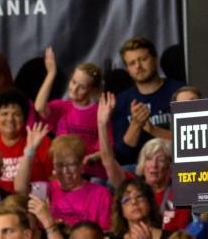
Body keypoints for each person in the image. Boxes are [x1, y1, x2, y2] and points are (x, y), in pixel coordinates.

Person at [13, 132, 109, 231]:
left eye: (71, 165)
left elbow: (106, 233)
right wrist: (29, 152)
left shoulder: (101, 194)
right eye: (59, 165)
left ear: (82, 165)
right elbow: (20, 188)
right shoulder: (44, 189)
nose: (65, 171)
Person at [110, 38, 183, 166]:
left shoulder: (179, 92)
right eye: (132, 63)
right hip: (137, 167)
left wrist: (153, 129)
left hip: (175, 162)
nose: (138, 66)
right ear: (127, 69)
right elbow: (122, 155)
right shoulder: (121, 102)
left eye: (143, 59)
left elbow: (189, 142)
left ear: (155, 59)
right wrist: (136, 124)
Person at [32, 48, 104, 177]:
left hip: (89, 172)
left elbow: (105, 149)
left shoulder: (99, 112)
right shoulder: (61, 107)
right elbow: (39, 107)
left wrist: (92, 158)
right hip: (62, 170)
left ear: (92, 89)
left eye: (81, 87)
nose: (74, 89)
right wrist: (51, 73)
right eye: (73, 82)